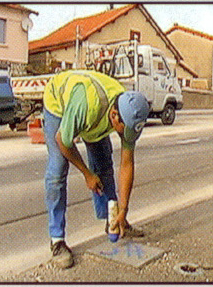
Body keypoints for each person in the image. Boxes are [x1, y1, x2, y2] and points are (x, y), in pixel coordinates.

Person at [43, 70, 150, 268]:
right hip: (59, 103)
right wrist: (87, 174)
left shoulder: (127, 108)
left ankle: (114, 220)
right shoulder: (86, 105)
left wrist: (124, 209)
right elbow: (63, 141)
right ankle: (57, 240)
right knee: (57, 171)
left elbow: (127, 164)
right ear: (114, 116)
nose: (126, 136)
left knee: (104, 167)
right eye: (124, 131)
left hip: (95, 114)